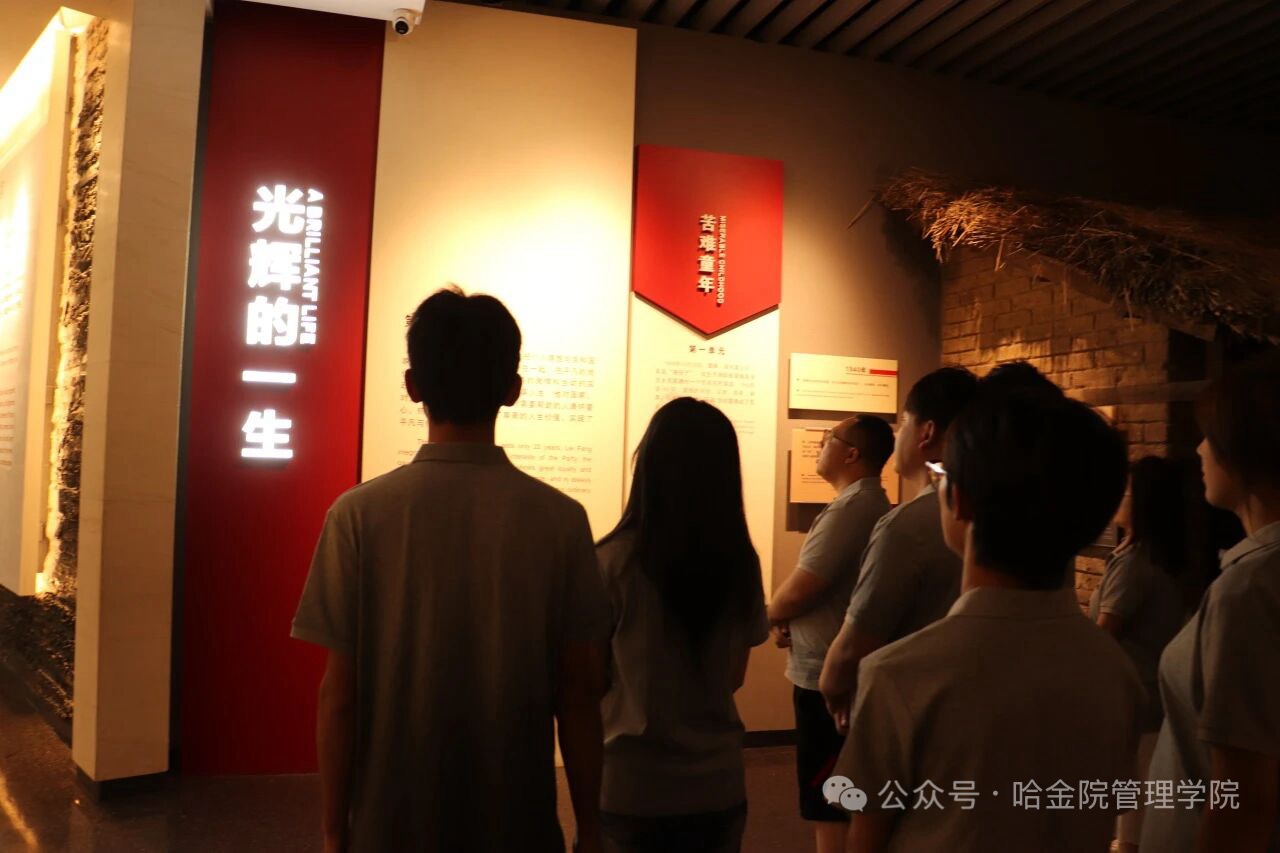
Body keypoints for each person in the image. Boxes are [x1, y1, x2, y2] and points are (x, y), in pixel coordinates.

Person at [291, 287, 611, 853]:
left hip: (389, 828)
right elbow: (578, 693)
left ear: (413, 385)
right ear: (513, 389)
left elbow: (338, 697)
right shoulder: (562, 520)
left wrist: (333, 832)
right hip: (517, 826)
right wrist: (589, 828)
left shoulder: (356, 516)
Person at [835, 363, 1143, 853]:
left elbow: (866, 840)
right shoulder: (1116, 671)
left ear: (958, 500)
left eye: (943, 474)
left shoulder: (899, 675)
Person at [594, 397, 769, 853]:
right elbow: (734, 676)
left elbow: (590, 680)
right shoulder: (740, 563)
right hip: (716, 782)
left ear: (647, 467)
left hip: (631, 784)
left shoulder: (610, 562)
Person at [1141, 353, 1280, 853]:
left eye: (1209, 436)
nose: (1199, 450)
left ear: (1244, 449)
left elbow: (1244, 798)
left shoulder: (1249, 590)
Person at [818, 367, 978, 731]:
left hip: (905, 711)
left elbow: (854, 645)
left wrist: (833, 685)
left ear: (927, 432)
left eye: (904, 422)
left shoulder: (906, 525)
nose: (897, 434)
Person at [768, 416, 894, 853]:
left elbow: (805, 586)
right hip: (831, 667)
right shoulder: (861, 504)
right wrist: (788, 617)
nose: (820, 446)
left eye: (828, 439)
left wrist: (771, 613)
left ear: (851, 453)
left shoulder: (851, 509)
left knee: (829, 801)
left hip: (827, 675)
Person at [1089, 456, 1195, 852]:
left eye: (1127, 492)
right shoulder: (1149, 555)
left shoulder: (1135, 562)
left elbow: (1104, 635)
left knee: (1129, 830)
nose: (1120, 498)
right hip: (1150, 701)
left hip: (1137, 705)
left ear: (1145, 502)